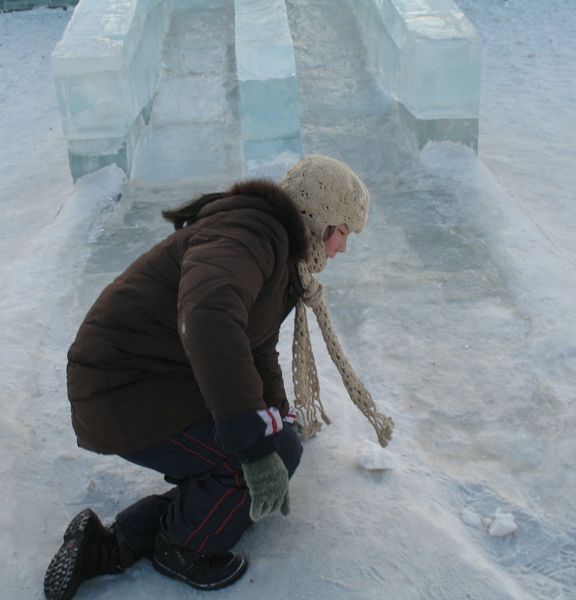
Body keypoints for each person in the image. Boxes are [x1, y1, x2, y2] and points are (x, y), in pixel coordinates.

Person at [43, 155, 393, 600]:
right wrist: (254, 442)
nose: (342, 247)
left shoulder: (270, 243)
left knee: (275, 441)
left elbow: (255, 347)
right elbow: (210, 317)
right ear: (319, 217)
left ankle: (108, 546)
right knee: (260, 457)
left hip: (147, 378)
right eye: (344, 231)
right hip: (124, 388)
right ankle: (183, 547)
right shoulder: (249, 236)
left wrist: (277, 416)